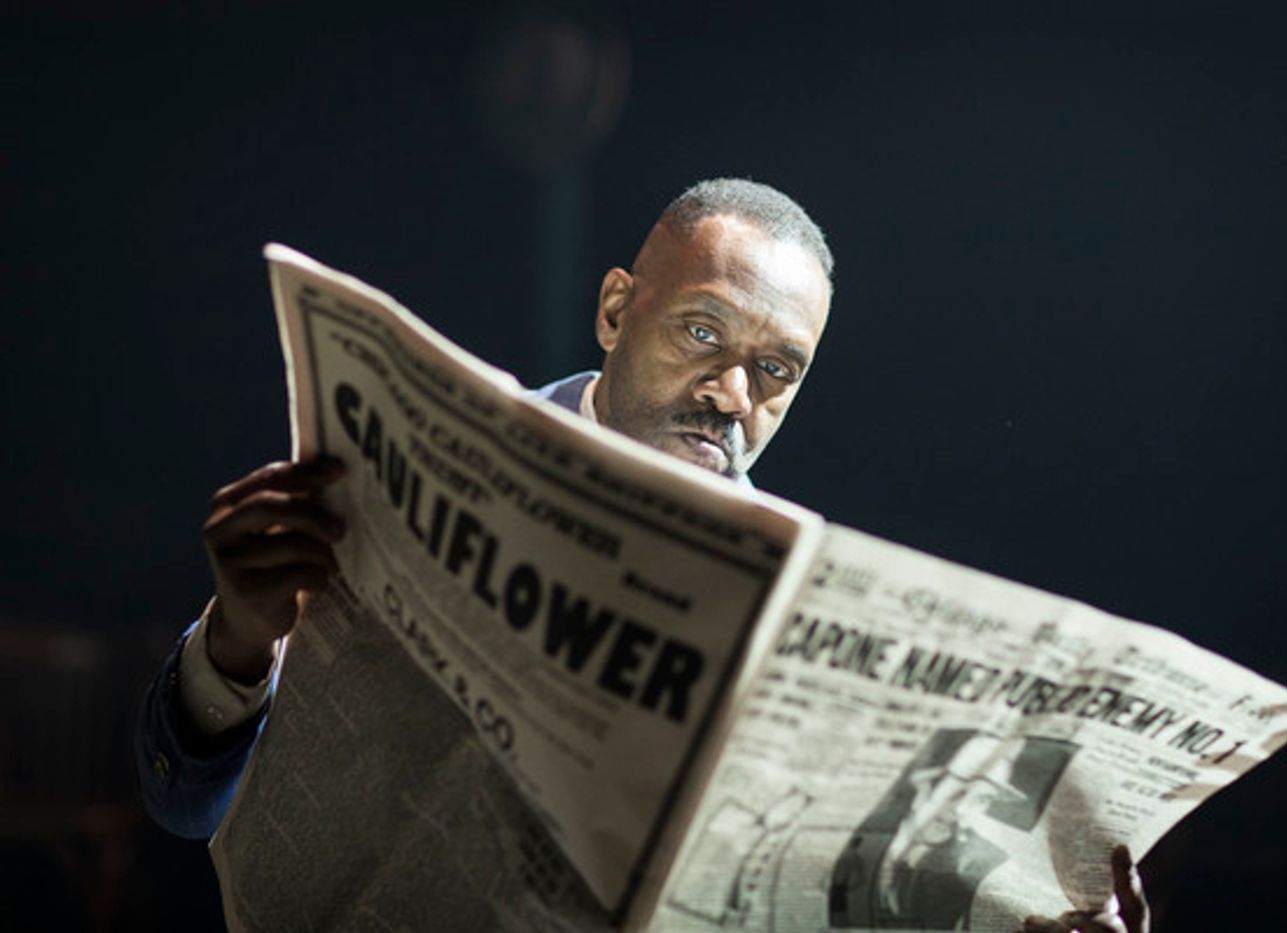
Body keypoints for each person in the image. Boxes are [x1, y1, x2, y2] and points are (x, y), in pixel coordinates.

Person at [135, 178, 1147, 933]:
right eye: (701, 331)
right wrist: (238, 641)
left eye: (775, 370)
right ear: (617, 311)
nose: (731, 395)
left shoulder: (798, 603)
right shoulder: (400, 465)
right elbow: (183, 808)